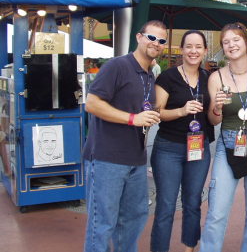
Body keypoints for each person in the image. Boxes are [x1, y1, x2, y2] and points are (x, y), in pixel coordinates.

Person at [83, 20, 166, 252]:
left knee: (133, 219)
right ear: (139, 37)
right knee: (102, 224)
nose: (156, 43)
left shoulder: (149, 75)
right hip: (106, 158)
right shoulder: (117, 66)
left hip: (136, 160)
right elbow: (92, 103)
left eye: (161, 41)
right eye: (151, 37)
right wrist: (133, 118)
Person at [199, 22, 247, 252]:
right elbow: (213, 120)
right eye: (226, 42)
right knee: (217, 211)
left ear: (246, 42)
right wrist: (217, 108)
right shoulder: (216, 77)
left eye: (236, 39)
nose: (231, 45)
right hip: (228, 143)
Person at [150, 30, 214, 252]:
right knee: (166, 205)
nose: (193, 51)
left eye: (198, 47)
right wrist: (181, 110)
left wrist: (219, 107)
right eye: (189, 46)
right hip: (169, 147)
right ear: (181, 49)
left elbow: (214, 117)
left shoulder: (209, 78)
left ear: (205, 51)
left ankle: (189, 248)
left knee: (193, 202)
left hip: (199, 147)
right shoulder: (167, 77)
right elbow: (157, 113)